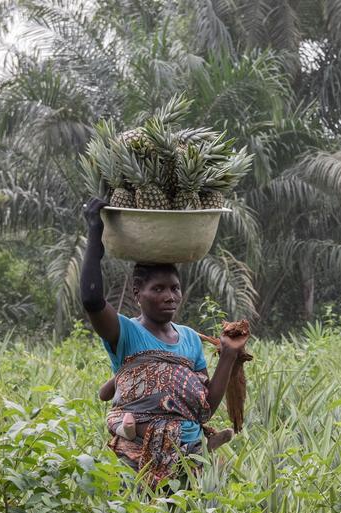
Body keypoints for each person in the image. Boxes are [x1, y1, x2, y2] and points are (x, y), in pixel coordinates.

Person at [79, 198, 248, 487]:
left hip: (189, 458)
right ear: (137, 294)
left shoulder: (191, 340)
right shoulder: (126, 333)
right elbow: (92, 300)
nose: (170, 296)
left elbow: (203, 408)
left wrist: (229, 356)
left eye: (174, 288)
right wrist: (95, 230)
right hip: (137, 461)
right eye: (158, 289)